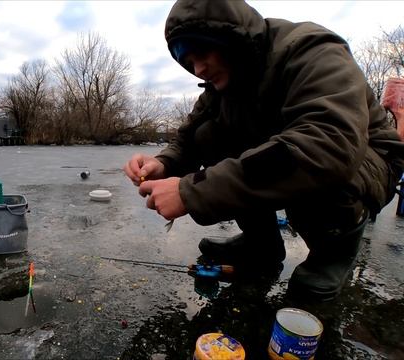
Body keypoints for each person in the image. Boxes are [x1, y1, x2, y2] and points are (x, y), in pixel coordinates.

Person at [124, 0, 404, 301]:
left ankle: (332, 251)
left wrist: (191, 191)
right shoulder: (221, 85)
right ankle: (262, 246)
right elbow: (189, 139)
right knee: (211, 135)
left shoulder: (313, 50)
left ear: (231, 39)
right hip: (314, 151)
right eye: (188, 60)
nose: (198, 69)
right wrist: (163, 164)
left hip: (366, 160)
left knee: (310, 160)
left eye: (202, 53)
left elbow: (328, 145)